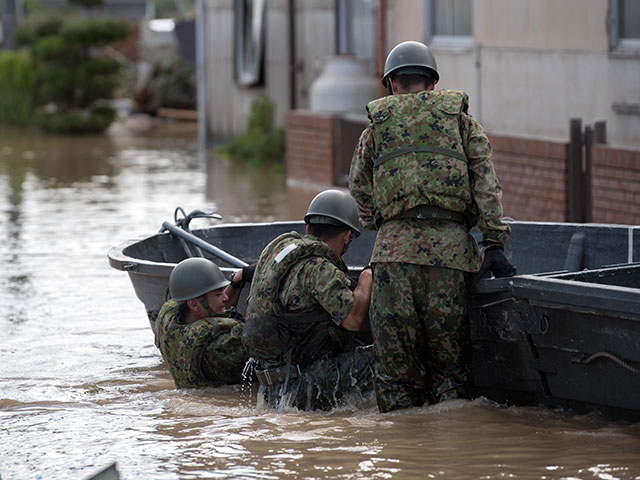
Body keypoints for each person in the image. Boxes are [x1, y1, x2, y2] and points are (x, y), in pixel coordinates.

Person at [348, 40, 516, 413]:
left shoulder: (376, 126)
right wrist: (493, 243)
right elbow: (486, 183)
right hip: (450, 257)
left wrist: (385, 225)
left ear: (391, 84)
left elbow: (358, 185)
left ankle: (402, 456)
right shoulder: (461, 121)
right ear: (433, 84)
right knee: (451, 373)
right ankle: (449, 456)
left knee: (395, 376)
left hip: (392, 260)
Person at [242, 189, 374, 411]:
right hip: (304, 387)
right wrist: (366, 277)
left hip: (272, 387)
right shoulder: (319, 269)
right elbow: (353, 319)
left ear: (307, 228)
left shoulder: (277, 250)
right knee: (388, 358)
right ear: (347, 236)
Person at [155, 257, 250, 388]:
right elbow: (261, 341)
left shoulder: (168, 317)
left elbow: (215, 308)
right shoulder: (220, 346)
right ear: (194, 304)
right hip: (218, 401)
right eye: (218, 295)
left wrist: (235, 281)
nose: (225, 297)